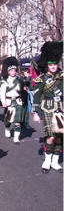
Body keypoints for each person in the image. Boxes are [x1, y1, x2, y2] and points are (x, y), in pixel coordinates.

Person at [32, 41, 63, 173]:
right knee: (50, 136)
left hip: (60, 109)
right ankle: (47, 160)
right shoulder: (41, 79)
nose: (53, 66)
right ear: (47, 65)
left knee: (59, 136)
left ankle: (55, 162)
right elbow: (37, 97)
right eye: (51, 64)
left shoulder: (61, 77)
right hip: (47, 108)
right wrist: (35, 112)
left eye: (55, 64)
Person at [0, 57, 27, 144]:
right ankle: (7, 128)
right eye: (11, 71)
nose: (13, 72)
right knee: (8, 120)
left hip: (18, 102)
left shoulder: (19, 80)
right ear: (8, 72)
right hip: (8, 102)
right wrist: (3, 102)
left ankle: (16, 137)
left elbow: (23, 90)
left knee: (18, 121)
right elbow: (2, 93)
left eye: (14, 70)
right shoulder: (5, 82)